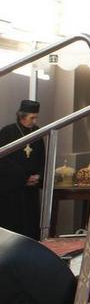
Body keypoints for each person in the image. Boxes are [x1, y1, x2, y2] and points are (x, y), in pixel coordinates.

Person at [0, 100, 46, 239]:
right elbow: (3, 160)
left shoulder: (37, 132)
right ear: (22, 116)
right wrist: (23, 178)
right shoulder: (7, 132)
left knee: (30, 226)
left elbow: (42, 158)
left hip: (30, 191)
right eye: (32, 118)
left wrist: (39, 176)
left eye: (36, 117)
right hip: (12, 190)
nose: (35, 121)